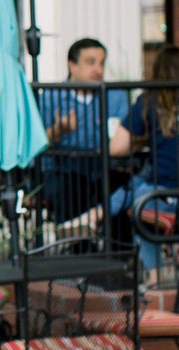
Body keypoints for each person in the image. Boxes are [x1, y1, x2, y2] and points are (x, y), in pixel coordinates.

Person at [110, 44, 179, 275]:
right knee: (136, 187)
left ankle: (154, 277)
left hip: (166, 196)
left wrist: (146, 140)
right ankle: (100, 213)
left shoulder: (150, 101)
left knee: (136, 198)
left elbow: (116, 148)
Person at [37, 37, 129, 225]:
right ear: (72, 65)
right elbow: (39, 143)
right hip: (63, 171)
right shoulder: (51, 96)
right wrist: (60, 129)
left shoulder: (115, 95)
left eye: (102, 63)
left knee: (125, 187)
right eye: (90, 63)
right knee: (70, 189)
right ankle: (79, 248)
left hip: (104, 169)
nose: (98, 70)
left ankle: (120, 251)